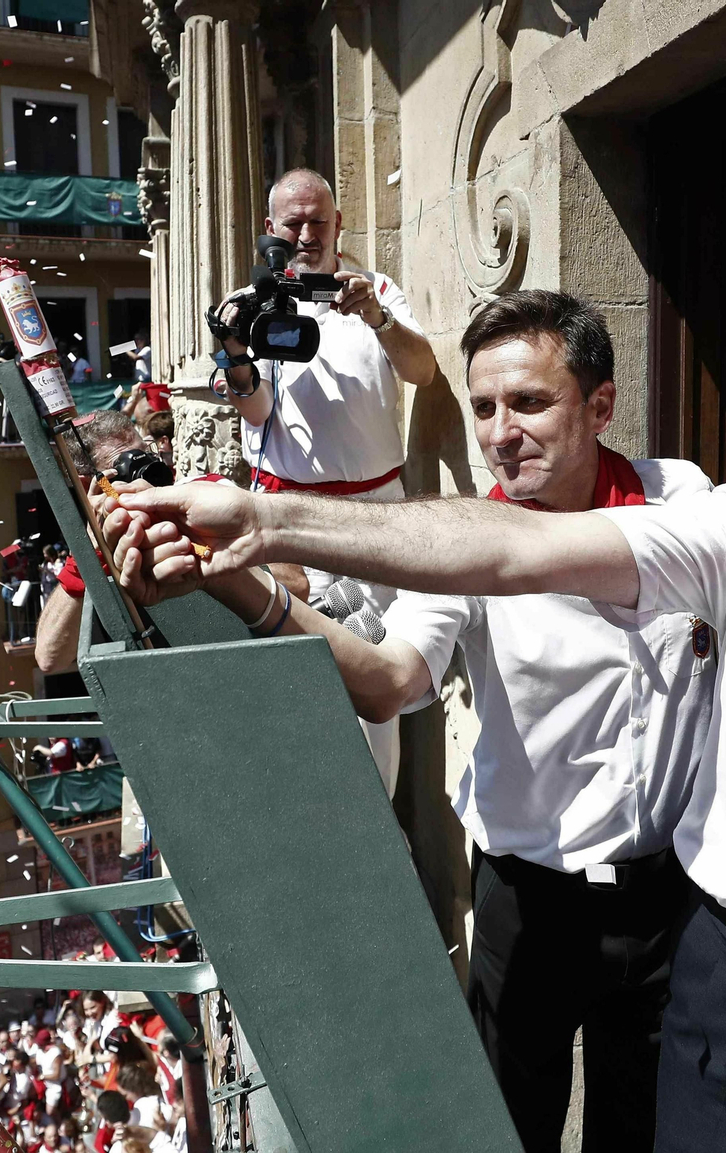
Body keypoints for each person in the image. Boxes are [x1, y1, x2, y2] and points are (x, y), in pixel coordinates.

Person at [110, 242, 726, 1153]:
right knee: (518, 1117)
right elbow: (458, 601)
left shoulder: (690, 494)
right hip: (580, 924)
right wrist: (260, 534)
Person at [104, 290, 714, 1150]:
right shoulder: (461, 546)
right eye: (486, 407)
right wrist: (234, 576)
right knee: (508, 1130)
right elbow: (385, 681)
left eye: (530, 402)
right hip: (531, 905)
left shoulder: (680, 496)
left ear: (601, 404)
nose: (502, 431)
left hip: (670, 902)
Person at [208, 167, 438, 797]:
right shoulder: (248, 306)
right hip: (290, 523)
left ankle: (378, 831)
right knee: (297, 677)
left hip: (374, 521)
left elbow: (423, 370)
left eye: (319, 221)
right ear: (270, 230)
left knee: (374, 690)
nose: (307, 234)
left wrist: (378, 318)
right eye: (294, 223)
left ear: (339, 224)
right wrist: (233, 358)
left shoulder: (378, 291)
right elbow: (255, 410)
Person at [32, 408, 307, 675]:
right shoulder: (98, 550)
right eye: (128, 466)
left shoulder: (208, 493)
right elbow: (49, 658)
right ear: (87, 486)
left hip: (260, 668)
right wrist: (88, 557)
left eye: (146, 454)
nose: (150, 471)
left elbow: (297, 584)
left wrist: (190, 536)